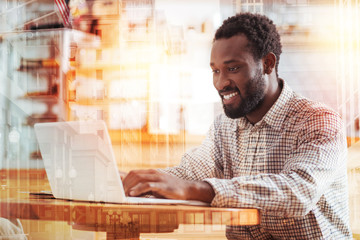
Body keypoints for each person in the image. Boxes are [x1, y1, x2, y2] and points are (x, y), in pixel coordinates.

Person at [122, 13, 352, 239]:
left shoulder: (318, 120)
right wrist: (130, 181)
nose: (220, 83)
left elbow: (298, 191)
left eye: (233, 69)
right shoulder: (225, 127)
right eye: (215, 71)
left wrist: (200, 189)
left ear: (268, 64)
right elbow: (187, 175)